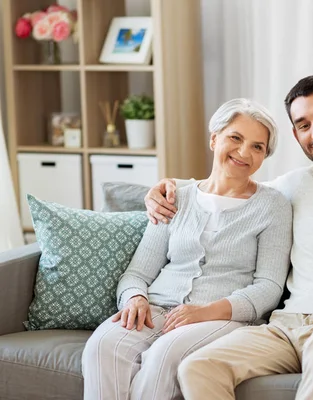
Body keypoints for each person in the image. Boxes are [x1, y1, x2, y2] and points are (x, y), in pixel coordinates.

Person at [145, 75, 313, 399]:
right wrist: (168, 187)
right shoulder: (291, 187)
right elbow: (226, 185)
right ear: (295, 134)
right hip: (284, 328)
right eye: (304, 125)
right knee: (198, 366)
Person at [81, 98, 293, 400]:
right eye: (235, 137)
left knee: (164, 356)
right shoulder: (175, 198)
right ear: (214, 138)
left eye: (257, 147)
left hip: (222, 317)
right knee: (102, 347)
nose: (244, 152)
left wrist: (207, 311)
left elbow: (269, 286)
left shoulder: (273, 206)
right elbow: (137, 272)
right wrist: (135, 298)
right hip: (154, 309)